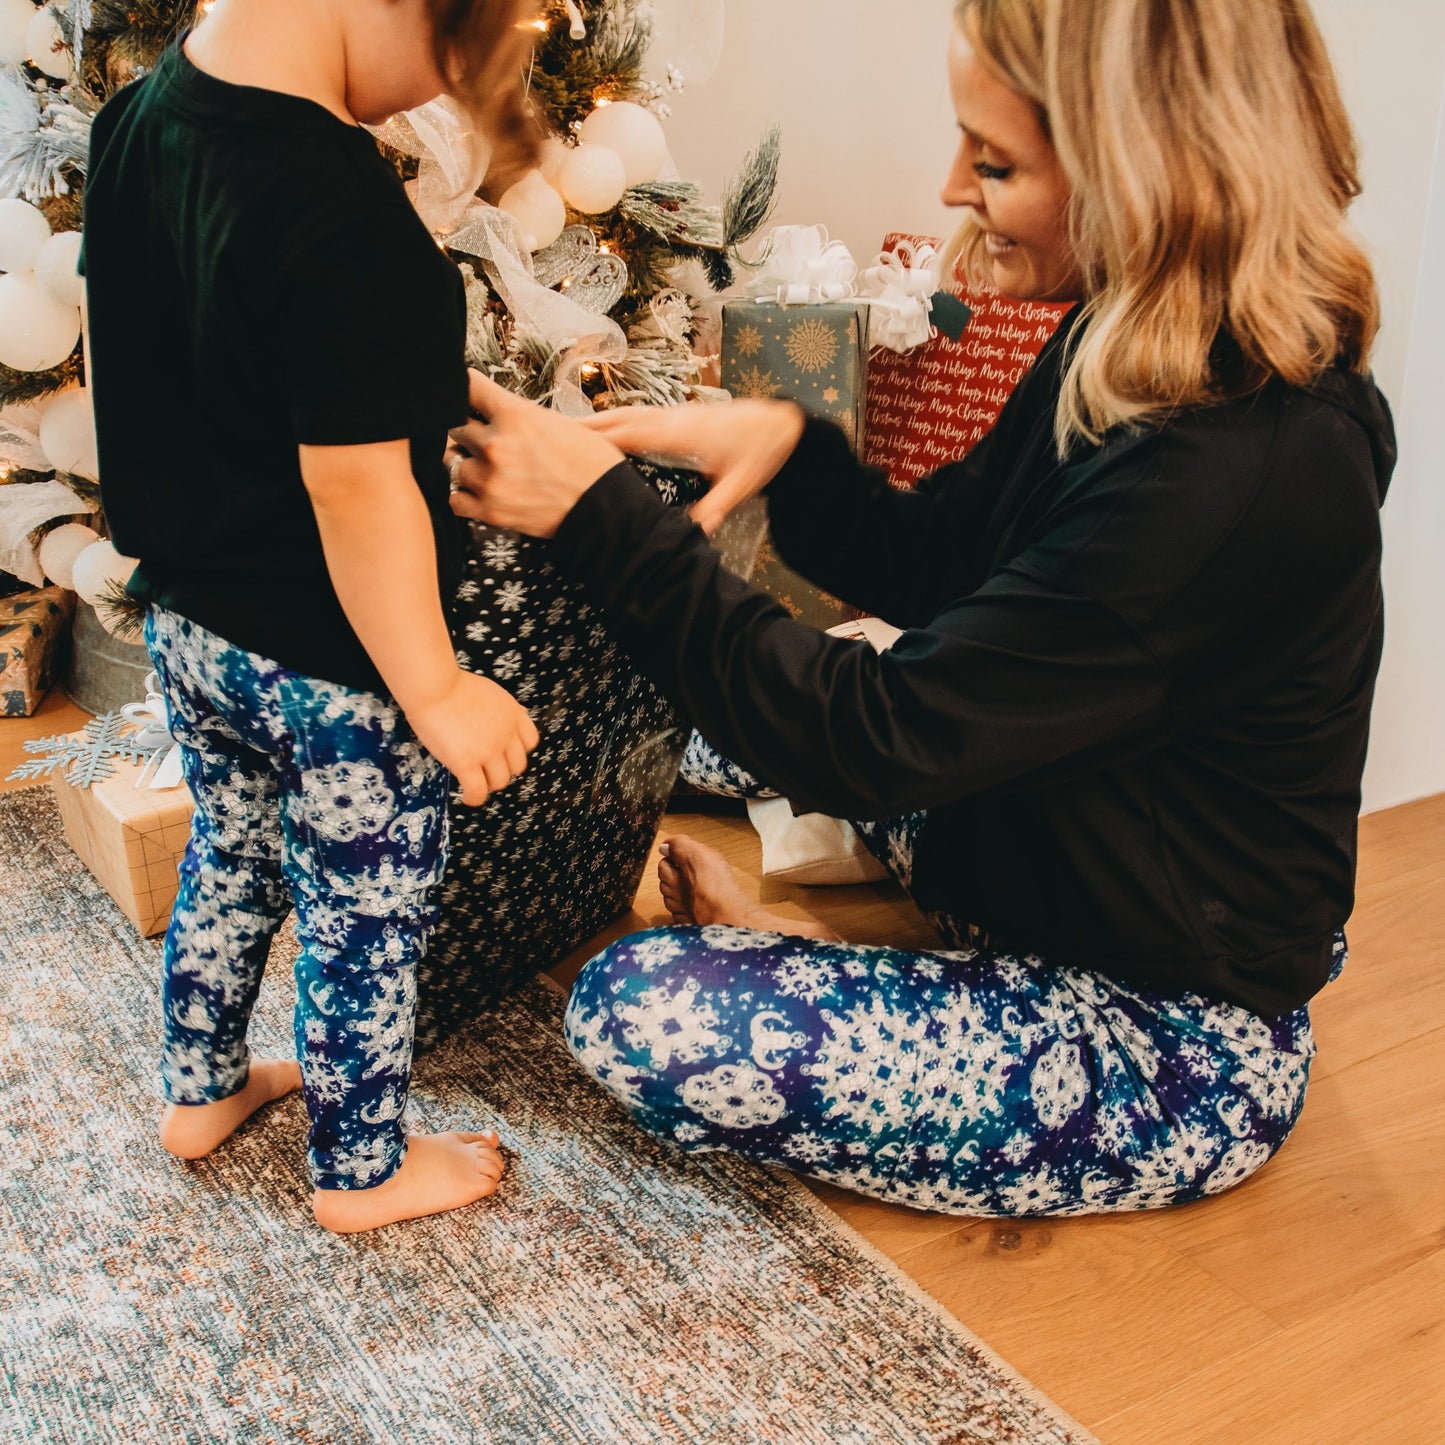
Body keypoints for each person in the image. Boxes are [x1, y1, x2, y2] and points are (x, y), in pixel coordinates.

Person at [447, 0, 1394, 1216]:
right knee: (744, 704)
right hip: (1037, 834)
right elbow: (946, 557)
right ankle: (871, 919)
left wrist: (601, 519)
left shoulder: (1242, 477)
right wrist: (788, 444)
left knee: (642, 1008)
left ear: (1142, 169)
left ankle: (848, 952)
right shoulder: (1126, 337)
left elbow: (876, 737)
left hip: (1168, 1032)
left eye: (992, 161)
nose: (953, 185)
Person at [83, 0, 541, 1232]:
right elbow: (357, 486)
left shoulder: (138, 118)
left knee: (232, 854)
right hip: (338, 670)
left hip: (190, 622)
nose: (437, 92)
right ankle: (361, 1168)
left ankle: (202, 1088)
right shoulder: (337, 205)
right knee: (364, 913)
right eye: (455, 48)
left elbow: (133, 349)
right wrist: (437, 689)